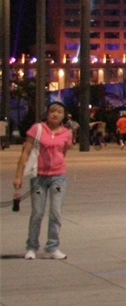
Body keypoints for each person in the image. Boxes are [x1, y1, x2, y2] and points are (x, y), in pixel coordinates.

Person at [13, 100, 73, 259]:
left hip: (58, 177)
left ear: (63, 116)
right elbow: (25, 152)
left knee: (56, 212)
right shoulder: (37, 129)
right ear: (47, 114)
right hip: (38, 177)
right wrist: (18, 175)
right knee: (37, 213)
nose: (55, 114)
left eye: (59, 112)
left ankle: (53, 247)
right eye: (52, 111)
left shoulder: (67, 133)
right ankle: (31, 247)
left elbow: (64, 152)